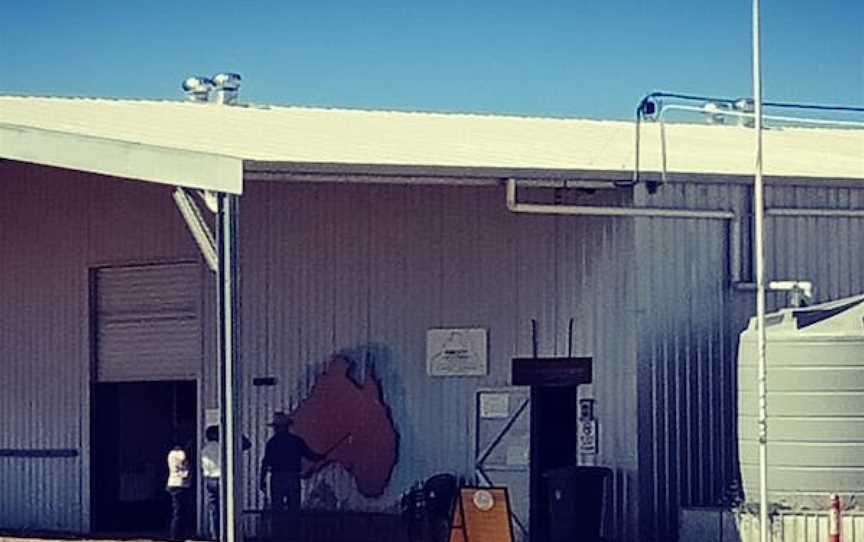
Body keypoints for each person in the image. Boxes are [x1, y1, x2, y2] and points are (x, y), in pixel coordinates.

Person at [259, 412, 325, 541]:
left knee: (277, 509)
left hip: (277, 478)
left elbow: (265, 463)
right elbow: (310, 455)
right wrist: (321, 457)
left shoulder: (272, 443)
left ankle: (278, 537)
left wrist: (261, 480)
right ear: (288, 426)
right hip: (293, 477)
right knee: (293, 509)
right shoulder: (296, 441)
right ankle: (293, 537)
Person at [201, 425, 253, 541]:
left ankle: (215, 534)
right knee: (229, 506)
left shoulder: (205, 449)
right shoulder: (224, 447)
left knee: (214, 508)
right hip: (222, 478)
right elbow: (247, 444)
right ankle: (232, 532)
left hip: (210, 479)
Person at [166, 441, 191, 541]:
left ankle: (176, 535)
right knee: (180, 513)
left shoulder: (170, 454)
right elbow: (185, 464)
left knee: (177, 512)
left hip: (172, 482)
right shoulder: (181, 454)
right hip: (180, 483)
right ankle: (177, 536)